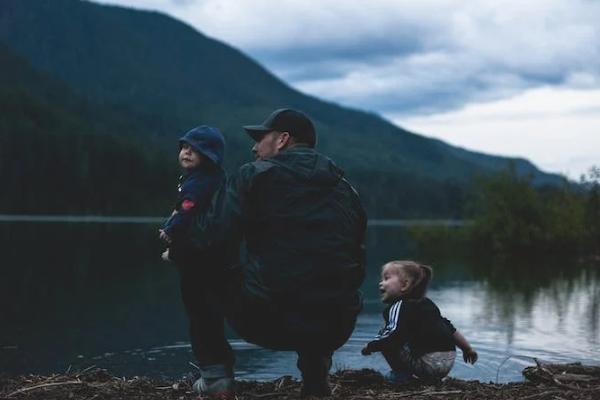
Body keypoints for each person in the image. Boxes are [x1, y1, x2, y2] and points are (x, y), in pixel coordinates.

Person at [181, 108, 367, 399]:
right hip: (337, 324)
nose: (254, 147)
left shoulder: (253, 175)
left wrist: (179, 235)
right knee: (323, 279)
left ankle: (216, 376)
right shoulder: (345, 188)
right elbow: (357, 257)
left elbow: (209, 239)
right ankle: (315, 381)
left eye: (260, 138)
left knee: (194, 263)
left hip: (269, 319)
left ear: (282, 140)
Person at [361, 260, 478, 384]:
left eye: (386, 278)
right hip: (447, 364)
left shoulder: (398, 306)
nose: (381, 283)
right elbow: (449, 328)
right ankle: (433, 378)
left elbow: (392, 336)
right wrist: (467, 349)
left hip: (427, 364)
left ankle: (400, 376)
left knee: (387, 333)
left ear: (405, 285)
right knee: (398, 334)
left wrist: (371, 346)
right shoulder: (428, 304)